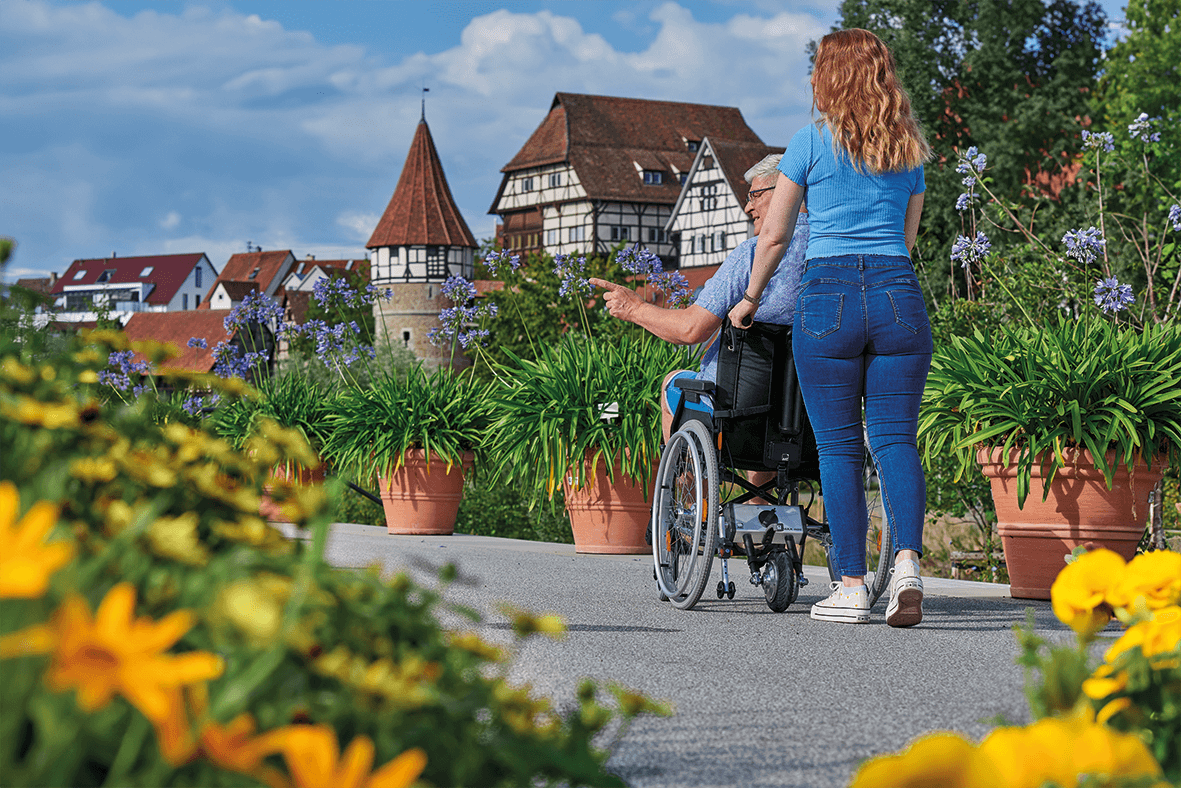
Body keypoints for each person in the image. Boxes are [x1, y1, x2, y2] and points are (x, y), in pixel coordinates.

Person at [727, 29, 932, 628]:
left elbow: (775, 236)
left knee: (840, 447)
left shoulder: (808, 143)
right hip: (898, 295)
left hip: (829, 300)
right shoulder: (908, 149)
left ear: (828, 79)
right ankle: (909, 568)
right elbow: (909, 238)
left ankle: (850, 585)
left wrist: (749, 299)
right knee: (895, 440)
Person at [590, 154, 809, 444]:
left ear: (784, 191)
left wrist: (635, 308)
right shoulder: (831, 251)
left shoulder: (752, 255)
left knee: (674, 381)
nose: (748, 207)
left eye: (755, 195)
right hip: (807, 415)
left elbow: (691, 329)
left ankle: (684, 487)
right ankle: (757, 492)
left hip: (736, 413)